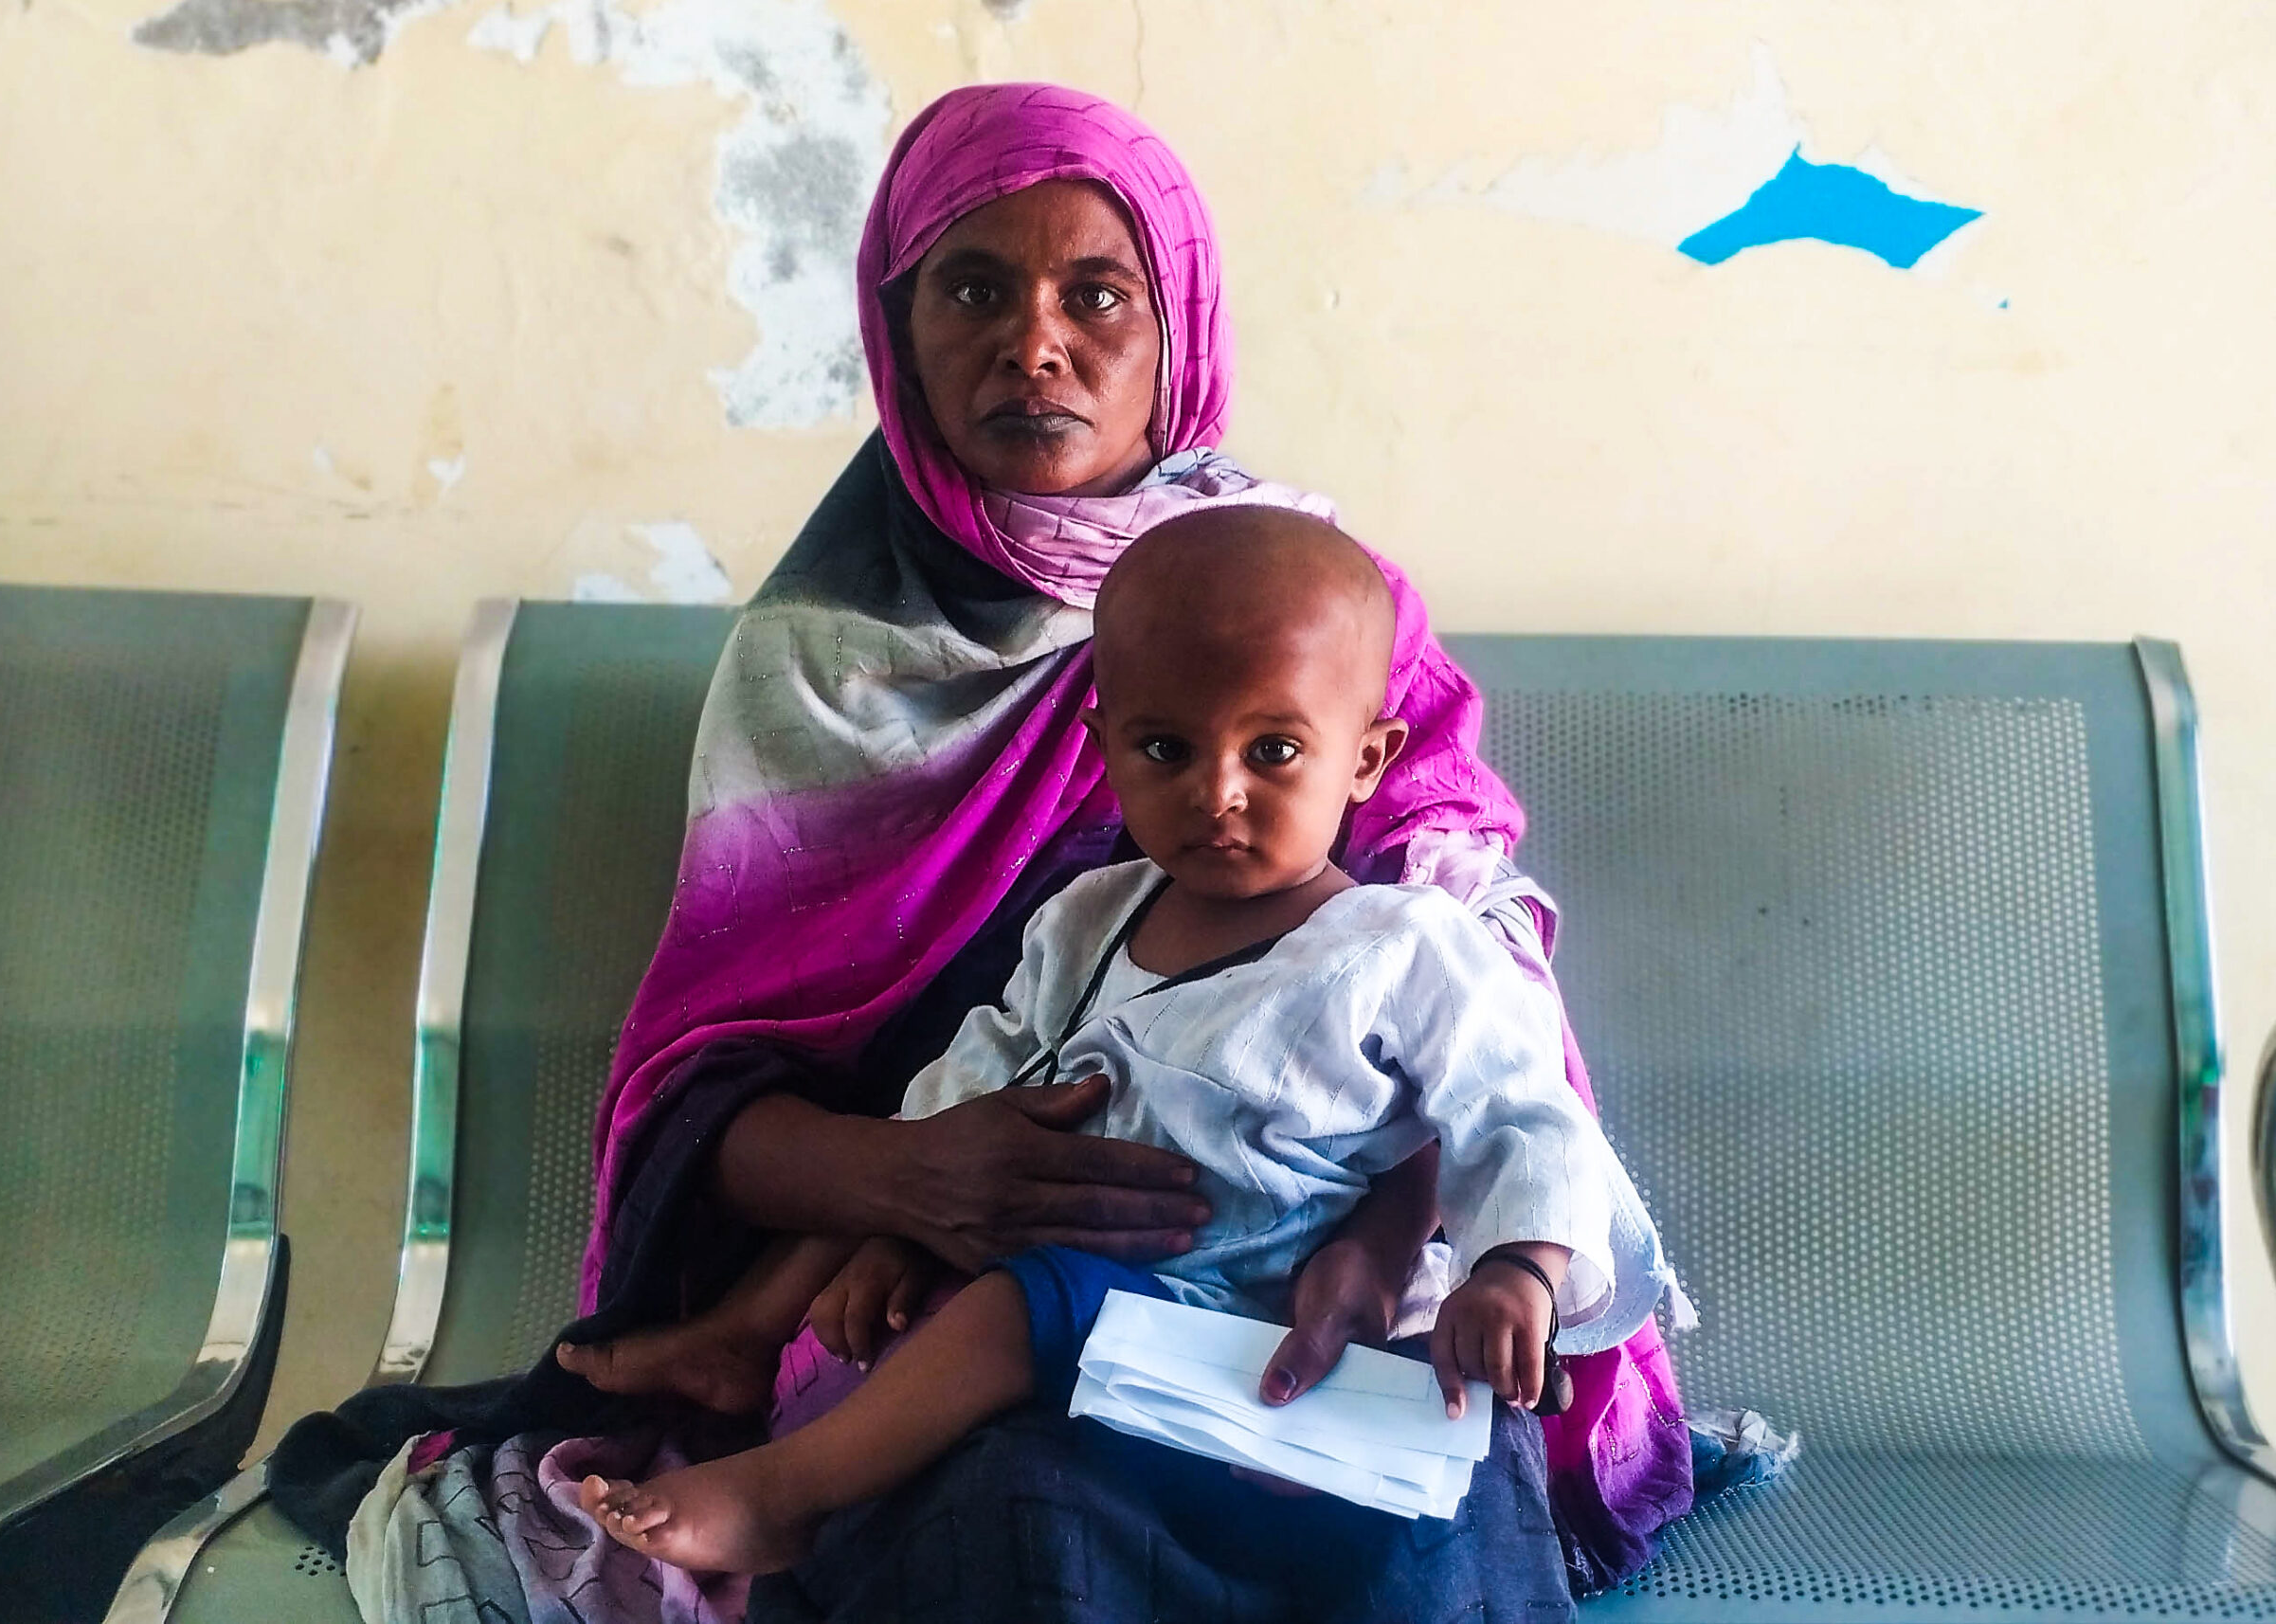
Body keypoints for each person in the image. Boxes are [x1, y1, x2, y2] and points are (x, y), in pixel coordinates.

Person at [273, 82, 1693, 1622]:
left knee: (1398, 1542)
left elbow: (1481, 997)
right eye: (972, 286)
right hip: (980, 1304)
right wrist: (915, 1182)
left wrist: (1402, 1224)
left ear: (1181, 329)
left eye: (1099, 293)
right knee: (1018, 1520)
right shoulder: (824, 660)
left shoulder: (1321, 611)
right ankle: (775, 1392)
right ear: (895, 328)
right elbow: (712, 1091)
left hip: (1336, 1293)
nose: (1036, 341)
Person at [577, 510, 1677, 1597]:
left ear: (1367, 758)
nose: (1217, 793)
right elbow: (989, 1065)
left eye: (1276, 749)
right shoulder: (1087, 916)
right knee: (973, 1319)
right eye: (1166, 748)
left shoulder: (1406, 946)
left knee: (1019, 1313)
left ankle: (786, 1495)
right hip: (1114, 1319)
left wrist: (1515, 1270)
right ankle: (787, 1392)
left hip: (1287, 1323)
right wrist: (900, 1221)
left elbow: (1525, 1114)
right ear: (1108, 750)